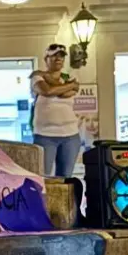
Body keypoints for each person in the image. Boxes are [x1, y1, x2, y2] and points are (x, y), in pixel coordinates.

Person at [31, 44, 81, 178]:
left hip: (70, 135)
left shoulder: (69, 77)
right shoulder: (36, 78)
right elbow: (47, 91)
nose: (58, 59)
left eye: (61, 56)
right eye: (54, 56)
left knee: (65, 176)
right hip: (44, 135)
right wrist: (71, 86)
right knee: (43, 176)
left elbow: (64, 94)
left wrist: (47, 78)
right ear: (46, 59)